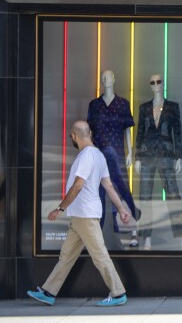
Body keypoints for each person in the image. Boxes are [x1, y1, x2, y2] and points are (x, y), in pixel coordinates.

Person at [27, 120, 131, 307]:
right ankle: (49, 292)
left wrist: (60, 208)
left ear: (74, 136)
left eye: (71, 137)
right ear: (89, 133)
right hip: (81, 217)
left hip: (86, 216)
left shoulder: (86, 156)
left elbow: (78, 185)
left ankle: (118, 294)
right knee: (66, 256)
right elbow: (109, 186)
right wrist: (122, 209)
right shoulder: (98, 156)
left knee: (100, 255)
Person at [134, 73, 182, 251]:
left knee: (173, 195)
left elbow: (177, 132)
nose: (156, 84)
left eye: (158, 81)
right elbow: (139, 133)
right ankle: (146, 238)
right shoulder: (144, 108)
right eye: (152, 82)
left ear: (162, 83)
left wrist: (179, 156)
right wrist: (137, 158)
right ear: (150, 85)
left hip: (166, 154)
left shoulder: (173, 107)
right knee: (145, 197)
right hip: (148, 155)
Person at [87, 70, 140, 246]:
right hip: (99, 155)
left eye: (108, 76)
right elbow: (89, 133)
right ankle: (99, 234)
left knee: (122, 190)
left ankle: (133, 230)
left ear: (114, 79)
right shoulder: (94, 105)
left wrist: (131, 152)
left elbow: (127, 129)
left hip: (117, 154)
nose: (105, 79)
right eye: (102, 76)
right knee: (99, 193)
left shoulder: (123, 104)